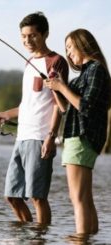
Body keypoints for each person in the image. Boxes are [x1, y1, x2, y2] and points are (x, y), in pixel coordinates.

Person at [0, 12, 69, 225]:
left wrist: (51, 137)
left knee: (37, 196)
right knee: (12, 196)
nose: (27, 41)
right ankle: (28, 235)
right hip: (21, 137)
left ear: (45, 34)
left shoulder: (57, 61)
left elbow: (59, 106)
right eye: (24, 36)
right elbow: (27, 104)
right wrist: (5, 114)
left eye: (33, 35)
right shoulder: (28, 63)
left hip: (40, 138)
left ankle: (41, 237)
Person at [44, 29, 111, 234]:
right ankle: (89, 239)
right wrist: (56, 88)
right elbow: (65, 108)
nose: (68, 53)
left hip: (82, 138)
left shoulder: (96, 70)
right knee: (85, 198)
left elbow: (86, 107)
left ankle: (80, 240)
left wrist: (62, 88)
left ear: (83, 44)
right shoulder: (81, 76)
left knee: (77, 199)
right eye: (66, 49)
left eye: (70, 47)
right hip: (77, 138)